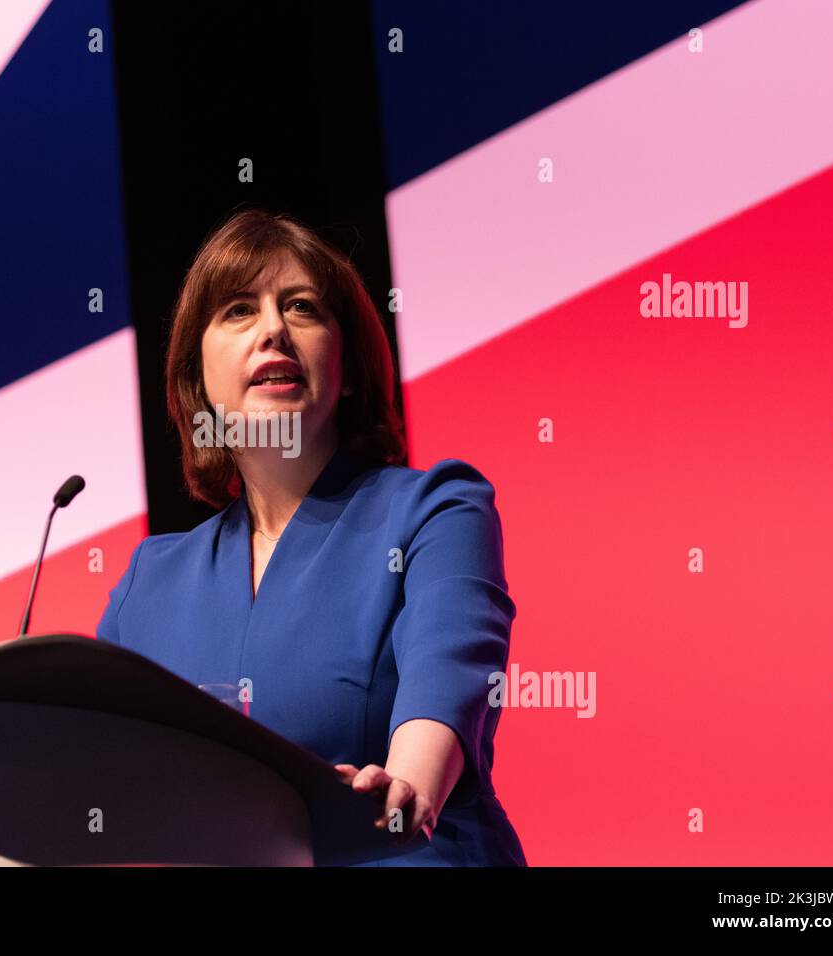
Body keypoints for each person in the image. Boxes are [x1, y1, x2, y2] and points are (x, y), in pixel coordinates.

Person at [96, 207, 526, 866]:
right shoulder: (146, 584)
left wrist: (405, 788)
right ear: (198, 381)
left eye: (301, 308)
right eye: (238, 311)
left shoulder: (435, 511)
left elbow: (448, 680)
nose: (272, 329)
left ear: (347, 367)